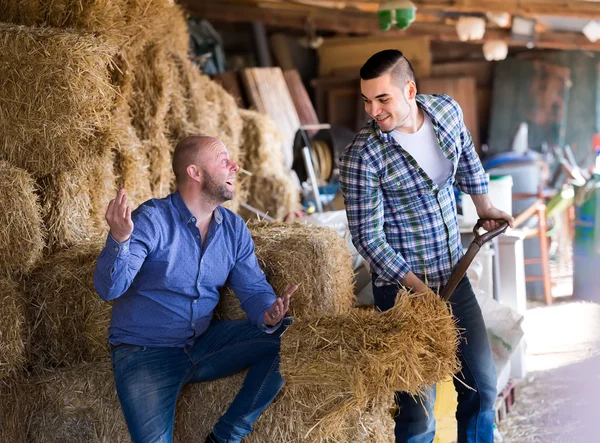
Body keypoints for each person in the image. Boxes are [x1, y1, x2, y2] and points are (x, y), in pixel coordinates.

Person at [339, 49, 514, 443]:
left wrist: (484, 205)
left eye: (383, 99)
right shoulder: (362, 156)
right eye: (367, 100)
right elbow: (369, 238)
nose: (374, 111)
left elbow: (466, 154)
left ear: (410, 90)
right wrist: (420, 294)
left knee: (482, 386)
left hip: (453, 273)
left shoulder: (447, 113)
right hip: (402, 294)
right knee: (417, 410)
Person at [94, 135, 297, 443]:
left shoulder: (233, 228)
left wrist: (269, 313)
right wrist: (120, 240)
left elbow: (253, 288)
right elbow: (109, 288)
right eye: (224, 160)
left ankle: (226, 436)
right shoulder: (151, 220)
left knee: (291, 338)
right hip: (145, 353)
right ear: (196, 173)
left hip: (202, 346)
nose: (235, 166)